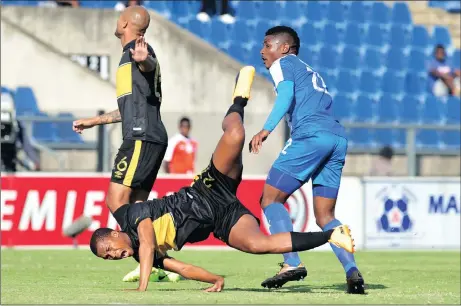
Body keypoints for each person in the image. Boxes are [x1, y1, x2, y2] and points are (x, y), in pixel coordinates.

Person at [89, 66, 355, 292]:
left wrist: (141, 287)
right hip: (221, 219)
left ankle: (239, 99)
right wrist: (215, 278)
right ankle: (332, 235)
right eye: (107, 258)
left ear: (114, 233)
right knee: (258, 245)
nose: (112, 256)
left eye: (108, 249)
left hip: (208, 188)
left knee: (236, 135)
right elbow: (182, 267)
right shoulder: (143, 254)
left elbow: (147, 242)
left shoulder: (130, 217)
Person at [249, 26, 365, 293]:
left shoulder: (283, 64)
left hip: (310, 136)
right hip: (337, 138)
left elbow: (286, 95)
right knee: (325, 217)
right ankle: (352, 271)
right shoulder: (308, 70)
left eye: (267, 45)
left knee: (270, 199)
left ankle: (292, 263)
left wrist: (266, 129)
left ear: (284, 48)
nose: (262, 51)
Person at [72, 5, 173, 282]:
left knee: (115, 200)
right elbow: (129, 109)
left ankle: (150, 255)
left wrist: (145, 60)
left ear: (126, 22)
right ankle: (151, 260)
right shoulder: (129, 55)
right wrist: (93, 121)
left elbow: (148, 63)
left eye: (120, 16)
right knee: (137, 207)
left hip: (141, 137)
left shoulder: (139, 50)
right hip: (147, 135)